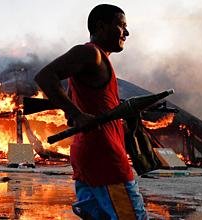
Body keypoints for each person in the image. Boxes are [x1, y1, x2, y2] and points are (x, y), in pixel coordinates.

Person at [33, 4, 147, 219]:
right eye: (121, 26)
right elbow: (45, 76)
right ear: (101, 26)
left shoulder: (96, 62)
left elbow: (80, 105)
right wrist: (76, 114)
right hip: (106, 160)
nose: (127, 33)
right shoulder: (90, 53)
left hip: (89, 158)